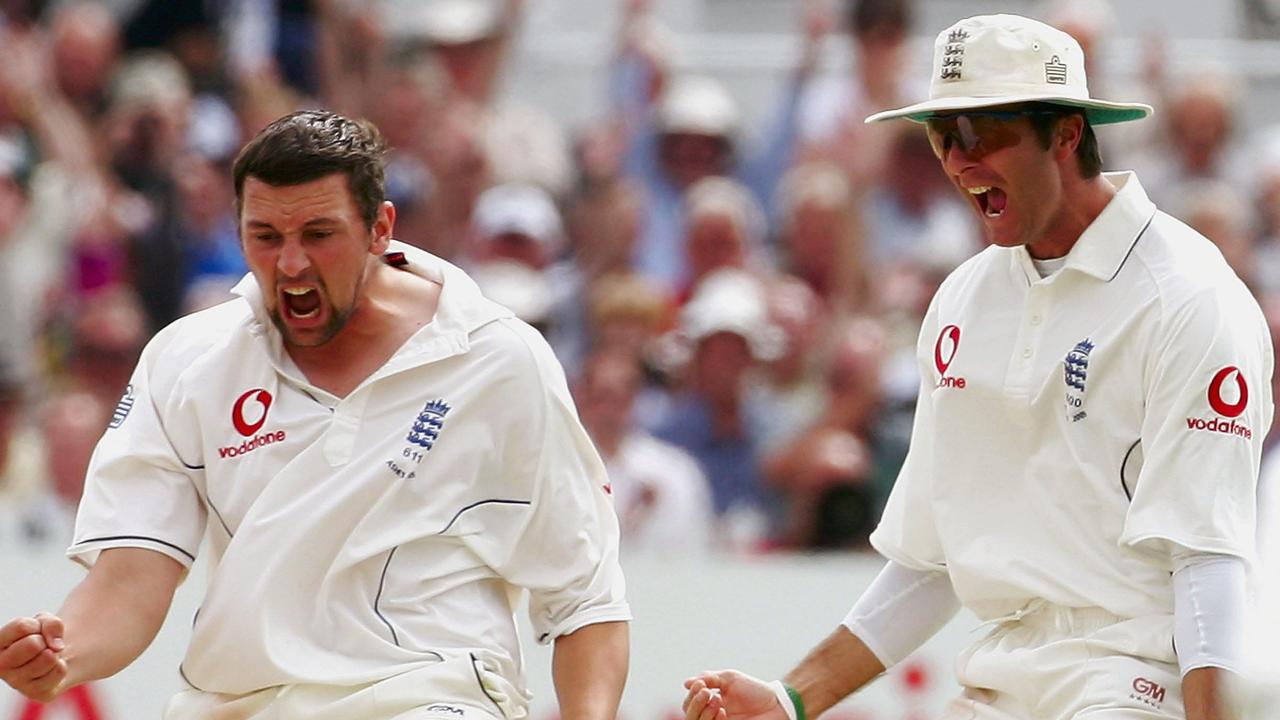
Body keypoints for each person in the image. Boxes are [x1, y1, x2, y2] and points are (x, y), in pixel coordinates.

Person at [681, 14, 1271, 720]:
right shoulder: (963, 300)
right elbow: (933, 560)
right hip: (998, 680)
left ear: (1066, 133)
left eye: (980, 133)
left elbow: (1205, 562)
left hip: (1139, 679)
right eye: (941, 136)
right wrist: (791, 698)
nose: (958, 161)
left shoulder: (1189, 296)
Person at [0, 110, 630, 720]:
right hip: (241, 704)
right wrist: (64, 651)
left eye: (318, 235)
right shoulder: (189, 360)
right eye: (265, 237)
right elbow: (132, 578)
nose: (291, 264)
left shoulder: (499, 358)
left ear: (380, 229)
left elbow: (586, 599)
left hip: (431, 698)